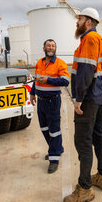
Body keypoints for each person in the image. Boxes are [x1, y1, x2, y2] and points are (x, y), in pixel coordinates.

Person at [63, 7, 102, 202]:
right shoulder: (99, 40)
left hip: (89, 97)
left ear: (89, 21)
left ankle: (84, 189)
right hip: (100, 94)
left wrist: (79, 98)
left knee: (83, 140)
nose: (77, 22)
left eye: (80, 18)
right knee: (98, 135)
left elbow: (87, 71)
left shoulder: (89, 40)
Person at [30, 39, 70, 174]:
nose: (51, 47)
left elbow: (65, 81)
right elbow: (36, 80)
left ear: (55, 49)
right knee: (44, 128)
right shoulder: (39, 63)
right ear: (44, 48)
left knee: (54, 130)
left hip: (53, 101)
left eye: (53, 46)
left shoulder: (60, 63)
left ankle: (54, 159)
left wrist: (48, 80)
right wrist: (32, 93)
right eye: (48, 45)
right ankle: (57, 148)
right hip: (40, 101)